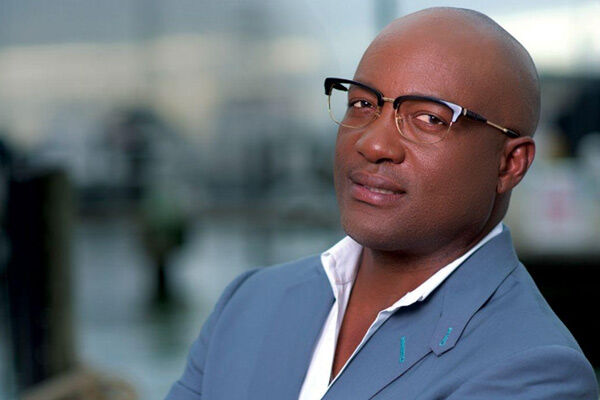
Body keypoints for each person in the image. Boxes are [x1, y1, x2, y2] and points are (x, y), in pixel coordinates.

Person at [165, 7, 599, 400]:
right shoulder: (249, 303)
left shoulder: (535, 371)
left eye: (429, 118)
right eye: (362, 103)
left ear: (510, 164)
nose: (373, 143)